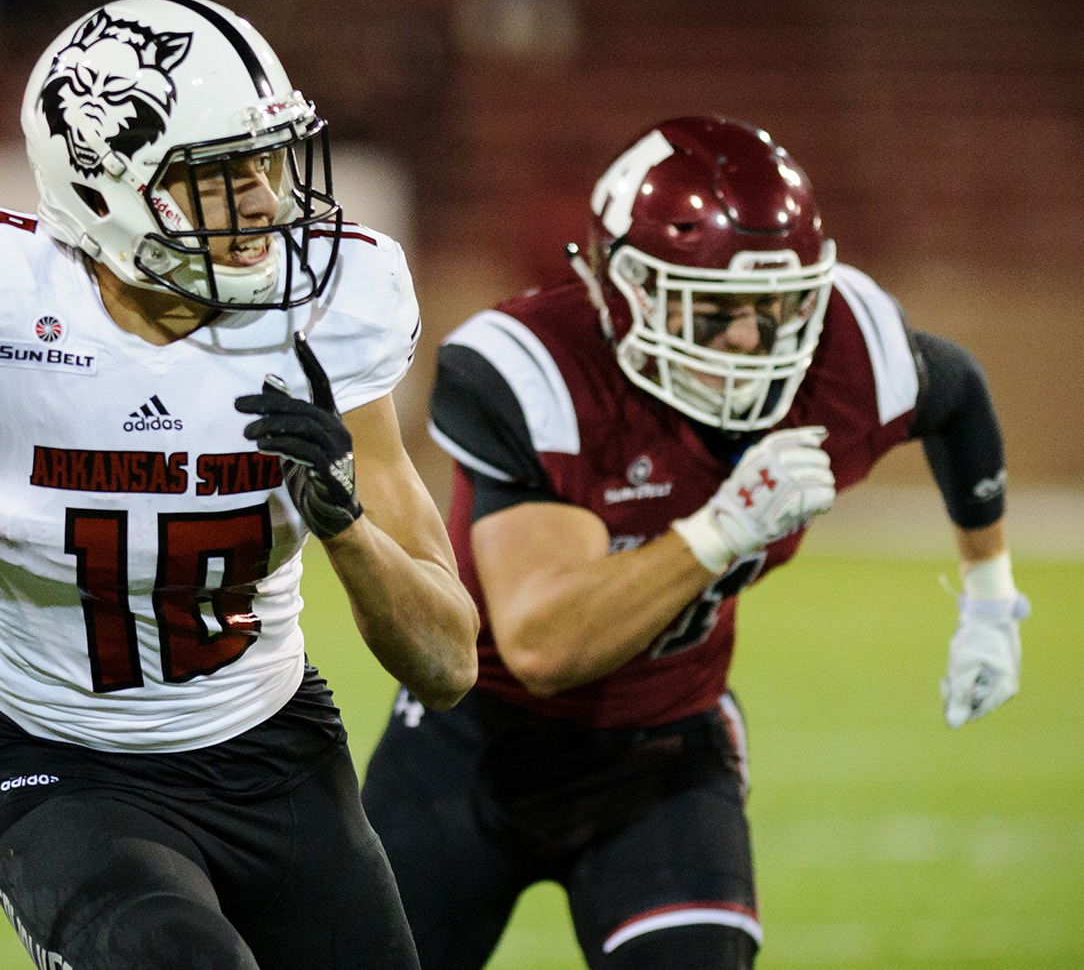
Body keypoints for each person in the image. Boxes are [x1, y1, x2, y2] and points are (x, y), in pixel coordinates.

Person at [0, 0, 478, 969]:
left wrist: (347, 528)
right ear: (107, 185)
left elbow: (447, 664)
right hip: (55, 762)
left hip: (272, 750)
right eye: (219, 173)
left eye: (269, 160)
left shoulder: (329, 312)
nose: (264, 201)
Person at [361, 115, 1027, 970]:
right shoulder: (537, 371)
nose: (749, 338)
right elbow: (544, 646)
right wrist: (719, 530)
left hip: (667, 752)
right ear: (626, 293)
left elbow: (958, 393)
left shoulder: (845, 354)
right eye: (713, 310)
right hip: (473, 746)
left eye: (774, 308)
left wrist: (989, 598)